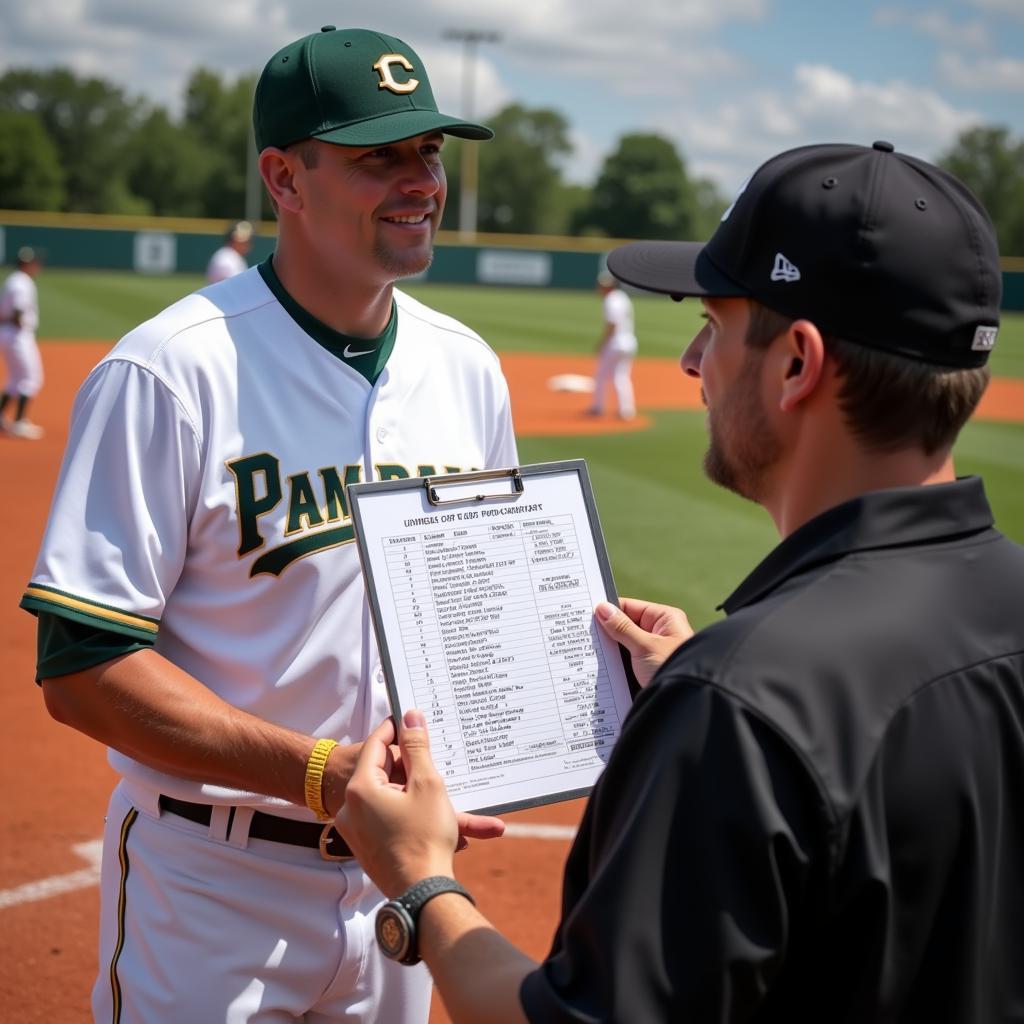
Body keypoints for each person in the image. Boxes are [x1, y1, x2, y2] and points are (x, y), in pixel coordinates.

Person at [335, 141, 1024, 1022]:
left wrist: (419, 881)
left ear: (797, 364)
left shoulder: (740, 705)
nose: (695, 362)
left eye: (715, 325)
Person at [21, 25, 515, 1023]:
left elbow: (487, 608)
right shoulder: (170, 370)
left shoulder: (467, 368)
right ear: (284, 179)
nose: (422, 179)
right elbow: (83, 665)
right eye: (381, 156)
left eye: (430, 151)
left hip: (403, 889)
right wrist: (321, 773)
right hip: (212, 883)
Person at [0, 245, 44, 439]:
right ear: (27, 263)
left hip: (8, 332)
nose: (37, 265)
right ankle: (19, 422)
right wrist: (19, 325)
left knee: (16, 379)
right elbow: (18, 310)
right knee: (31, 378)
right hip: (18, 334)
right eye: (35, 262)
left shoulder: (13, 279)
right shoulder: (21, 282)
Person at [585, 270, 637, 419]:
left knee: (601, 375)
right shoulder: (622, 297)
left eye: (602, 285)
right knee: (621, 376)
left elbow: (612, 324)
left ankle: (598, 407)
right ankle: (626, 411)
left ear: (609, 286)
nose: (600, 288)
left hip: (615, 343)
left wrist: (602, 343)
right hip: (629, 341)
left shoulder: (611, 300)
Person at [206, 219, 254, 283]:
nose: (247, 244)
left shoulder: (233, 256)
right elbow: (236, 285)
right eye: (244, 241)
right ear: (232, 240)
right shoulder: (226, 259)